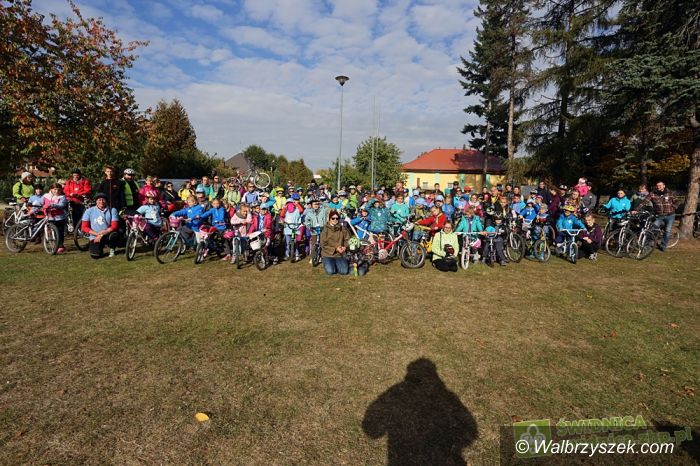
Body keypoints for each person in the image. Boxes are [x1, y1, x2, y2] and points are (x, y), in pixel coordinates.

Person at [634, 180, 678, 251]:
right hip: (659, 215)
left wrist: (674, 207)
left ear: (664, 186)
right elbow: (644, 201)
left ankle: (663, 246)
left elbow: (676, 201)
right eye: (657, 186)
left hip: (670, 215)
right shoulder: (652, 194)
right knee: (652, 229)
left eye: (660, 185)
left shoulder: (670, 193)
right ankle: (648, 244)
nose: (658, 187)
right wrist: (636, 209)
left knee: (667, 231)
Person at [81, 193, 120, 258]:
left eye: (103, 200)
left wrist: (102, 234)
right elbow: (84, 227)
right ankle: (99, 249)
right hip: (95, 235)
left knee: (114, 236)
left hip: (108, 234)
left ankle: (112, 248)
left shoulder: (112, 210)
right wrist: (97, 234)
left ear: (106, 201)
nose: (101, 202)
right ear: (96, 201)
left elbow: (114, 226)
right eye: (99, 200)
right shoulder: (89, 211)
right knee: (95, 256)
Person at [319, 209, 350, 275]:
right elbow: (323, 244)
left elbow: (347, 239)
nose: (335, 220)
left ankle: (336, 264)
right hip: (328, 254)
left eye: (337, 218)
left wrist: (345, 247)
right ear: (329, 219)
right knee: (330, 271)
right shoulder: (325, 230)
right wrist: (335, 249)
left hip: (339, 254)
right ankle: (326, 262)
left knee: (344, 271)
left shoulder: (342, 228)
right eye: (333, 218)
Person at [43, 183, 68, 254]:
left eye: (59, 190)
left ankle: (60, 246)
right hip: (49, 216)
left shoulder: (62, 197)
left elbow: (62, 204)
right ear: (51, 189)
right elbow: (41, 203)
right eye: (55, 189)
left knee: (60, 232)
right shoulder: (45, 196)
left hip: (59, 217)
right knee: (52, 231)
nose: (57, 191)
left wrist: (53, 205)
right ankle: (54, 244)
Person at [304, 197, 326, 264]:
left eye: (317, 204)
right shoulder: (309, 213)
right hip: (314, 230)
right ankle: (313, 256)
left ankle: (321, 256)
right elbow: (306, 221)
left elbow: (325, 219)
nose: (316, 205)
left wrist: (325, 226)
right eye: (314, 204)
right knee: (314, 243)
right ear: (311, 205)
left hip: (322, 229)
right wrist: (309, 226)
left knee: (322, 243)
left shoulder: (322, 211)